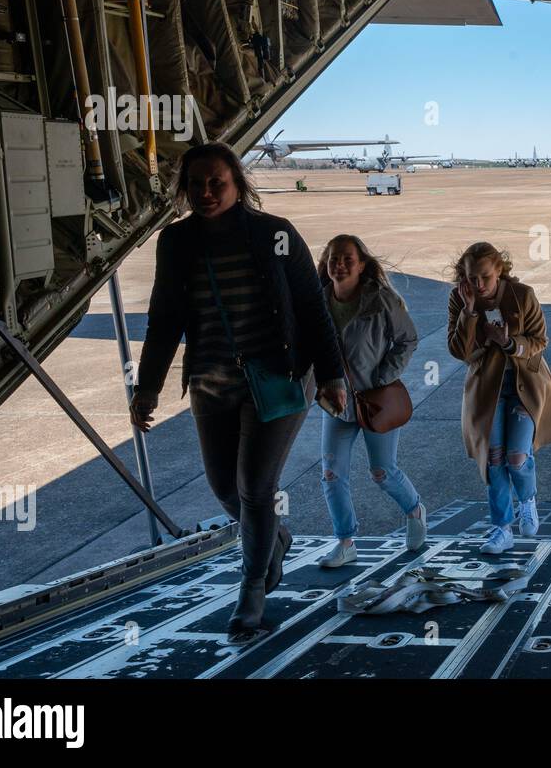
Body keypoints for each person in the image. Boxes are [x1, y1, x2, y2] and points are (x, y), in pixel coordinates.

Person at [131, 142, 345, 642]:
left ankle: (251, 590)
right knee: (224, 488)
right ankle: (276, 539)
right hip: (210, 381)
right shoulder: (176, 242)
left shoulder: (275, 235)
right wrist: (148, 388)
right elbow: (163, 319)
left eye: (216, 183)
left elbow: (314, 308)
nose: (205, 193)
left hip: (276, 378)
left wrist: (332, 376)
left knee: (253, 486)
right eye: (196, 184)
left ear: (237, 184)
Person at [314, 235, 425, 569]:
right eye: (334, 257)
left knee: (382, 472)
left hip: (376, 400)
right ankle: (345, 542)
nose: (340, 264)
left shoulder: (381, 300)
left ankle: (415, 509)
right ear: (326, 263)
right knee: (332, 473)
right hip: (336, 403)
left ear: (362, 265)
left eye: (348, 258)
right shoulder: (316, 302)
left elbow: (408, 339)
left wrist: (383, 376)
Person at [447, 242, 551, 554]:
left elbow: (541, 340)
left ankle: (527, 499)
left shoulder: (523, 295)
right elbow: (459, 351)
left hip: (525, 384)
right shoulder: (460, 299)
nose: (478, 285)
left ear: (500, 270)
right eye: (472, 278)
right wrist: (470, 312)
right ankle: (501, 528)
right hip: (487, 390)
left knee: (517, 456)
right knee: (494, 460)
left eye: (485, 277)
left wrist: (510, 343)